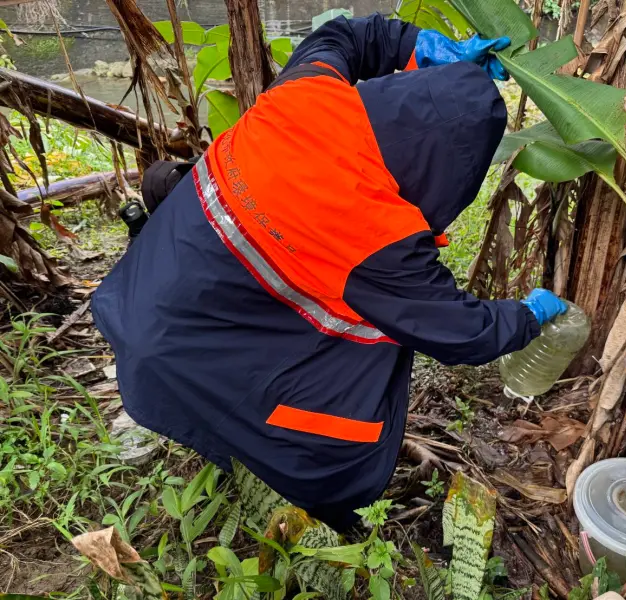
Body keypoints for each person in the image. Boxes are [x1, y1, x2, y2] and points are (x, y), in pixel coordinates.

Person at [92, 13, 568, 531]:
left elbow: (342, 35)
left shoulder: (306, 92)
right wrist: (527, 316)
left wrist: (419, 45)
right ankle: (309, 480)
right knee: (379, 342)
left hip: (135, 300)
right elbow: (464, 334)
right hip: (181, 366)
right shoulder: (378, 234)